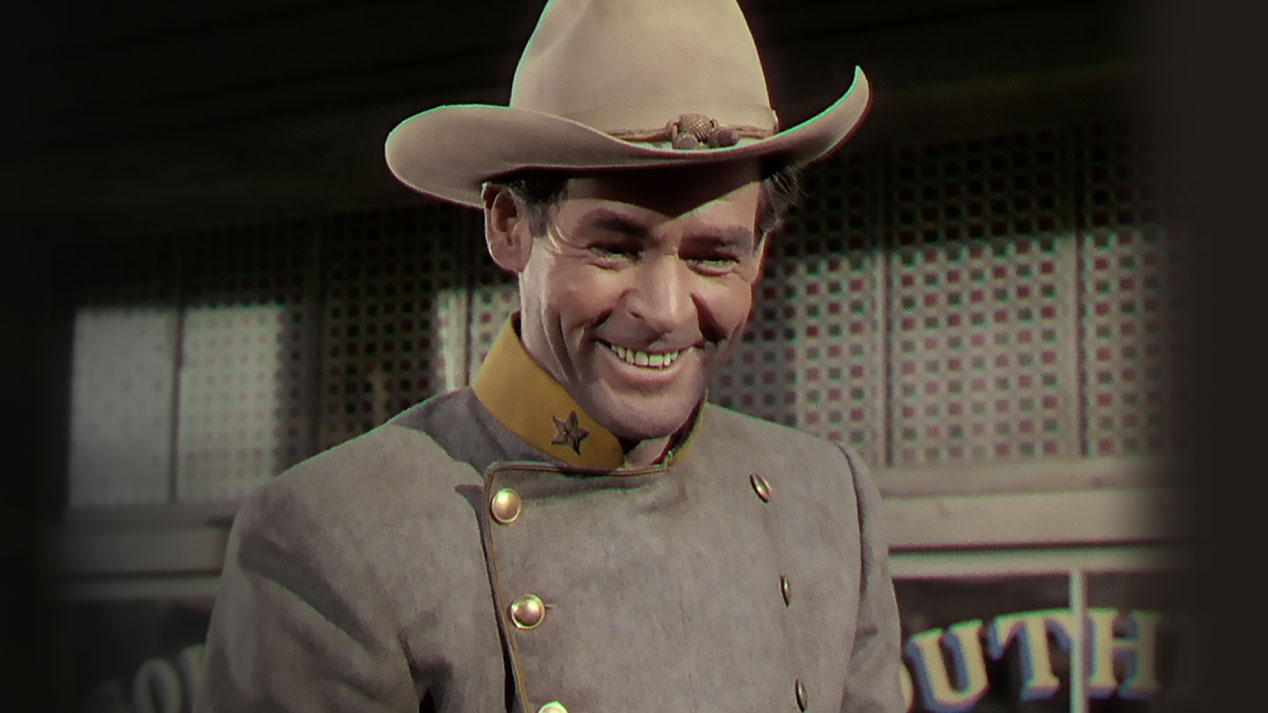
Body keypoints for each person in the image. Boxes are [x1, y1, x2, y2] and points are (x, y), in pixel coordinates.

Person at [197, 1, 902, 711]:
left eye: (714, 257)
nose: (664, 309)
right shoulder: (332, 536)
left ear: (760, 252)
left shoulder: (828, 504)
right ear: (508, 226)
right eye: (614, 247)